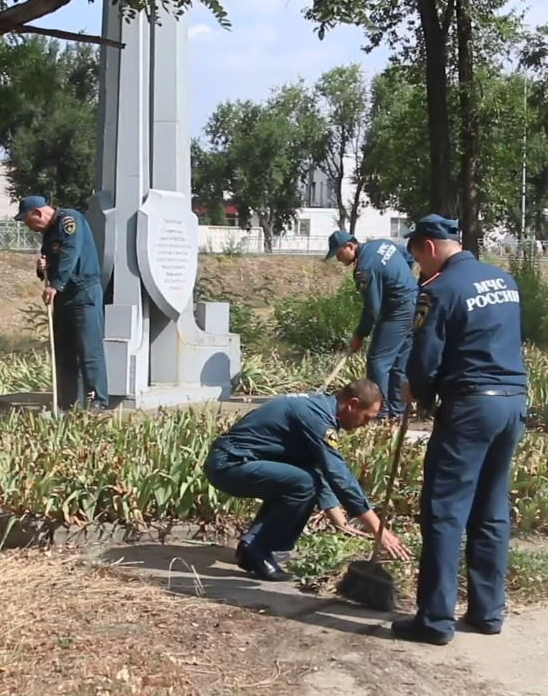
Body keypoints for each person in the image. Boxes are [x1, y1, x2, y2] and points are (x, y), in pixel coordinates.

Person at [394, 214, 527, 646]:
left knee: (444, 511)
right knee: (490, 510)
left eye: (417, 259)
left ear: (429, 247)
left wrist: (416, 391)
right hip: (510, 403)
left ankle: (434, 621)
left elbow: (426, 355)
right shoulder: (503, 280)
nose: (419, 269)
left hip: (470, 406)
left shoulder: (439, 289)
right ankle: (487, 613)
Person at [204, 379, 412, 582]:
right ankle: (259, 550)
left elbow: (320, 469)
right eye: (367, 417)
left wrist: (336, 515)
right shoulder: (316, 417)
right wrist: (379, 530)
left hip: (240, 462)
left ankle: (252, 544)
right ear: (353, 404)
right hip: (230, 465)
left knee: (301, 479)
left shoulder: (320, 411)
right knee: (303, 483)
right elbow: (338, 474)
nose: (366, 425)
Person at [15, 195, 108, 412]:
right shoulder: (47, 234)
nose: (30, 228)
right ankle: (68, 403)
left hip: (84, 293)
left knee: (89, 349)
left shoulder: (69, 220)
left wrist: (55, 284)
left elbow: (69, 254)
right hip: (62, 296)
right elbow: (51, 266)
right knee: (64, 352)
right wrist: (42, 268)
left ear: (37, 212)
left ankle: (98, 400)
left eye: (29, 222)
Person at [325, 230, 418, 422]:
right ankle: (396, 412)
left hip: (398, 311)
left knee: (378, 362)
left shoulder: (364, 268)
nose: (338, 259)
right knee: (398, 364)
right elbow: (407, 256)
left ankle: (380, 413)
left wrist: (360, 335)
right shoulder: (381, 244)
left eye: (339, 254)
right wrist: (402, 281)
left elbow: (372, 309)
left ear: (350, 246)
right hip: (415, 304)